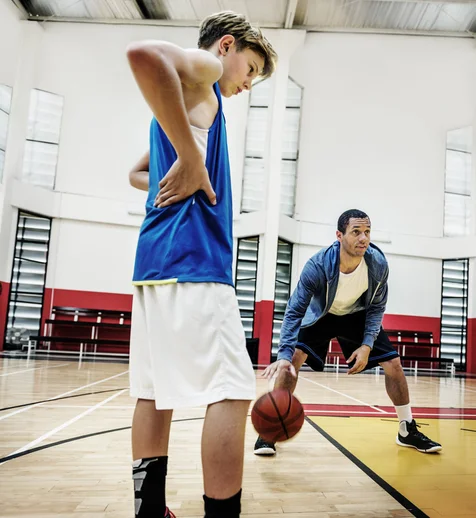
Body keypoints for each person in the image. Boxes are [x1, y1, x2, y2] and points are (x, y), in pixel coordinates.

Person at [125, 11, 277, 518]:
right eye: (251, 68)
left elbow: (135, 174)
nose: (248, 83)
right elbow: (143, 56)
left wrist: (184, 160)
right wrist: (191, 156)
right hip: (193, 260)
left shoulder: (180, 106)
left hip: (152, 262)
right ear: (227, 46)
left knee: (153, 392)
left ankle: (149, 513)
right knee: (233, 390)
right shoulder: (206, 75)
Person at [255, 209, 442, 456]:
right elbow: (294, 310)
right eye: (356, 232)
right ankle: (270, 430)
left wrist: (366, 345)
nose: (363, 238)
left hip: (356, 314)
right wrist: (284, 354)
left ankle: (407, 430)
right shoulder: (318, 265)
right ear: (339, 235)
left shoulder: (378, 264)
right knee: (293, 361)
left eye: (367, 232)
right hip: (322, 313)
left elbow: (376, 307)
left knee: (393, 364)